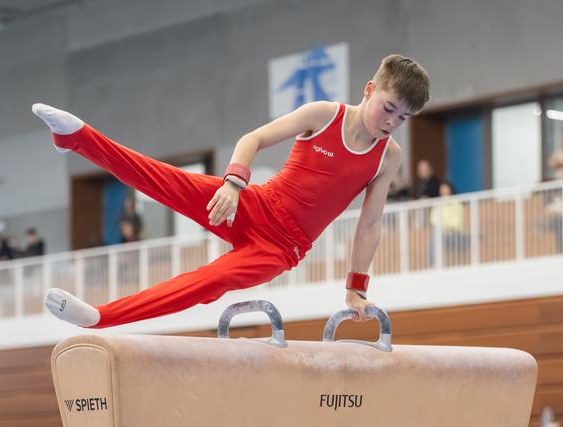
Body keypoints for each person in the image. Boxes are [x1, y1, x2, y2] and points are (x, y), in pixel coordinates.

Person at [34, 53, 430, 328]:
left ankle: (102, 317)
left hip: (281, 249)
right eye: (389, 107)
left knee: (208, 283)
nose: (392, 121)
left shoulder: (387, 157)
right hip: (252, 202)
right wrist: (234, 183)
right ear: (369, 89)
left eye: (404, 117)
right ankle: (77, 138)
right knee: (162, 179)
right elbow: (253, 138)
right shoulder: (324, 115)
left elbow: (370, 224)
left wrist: (356, 290)